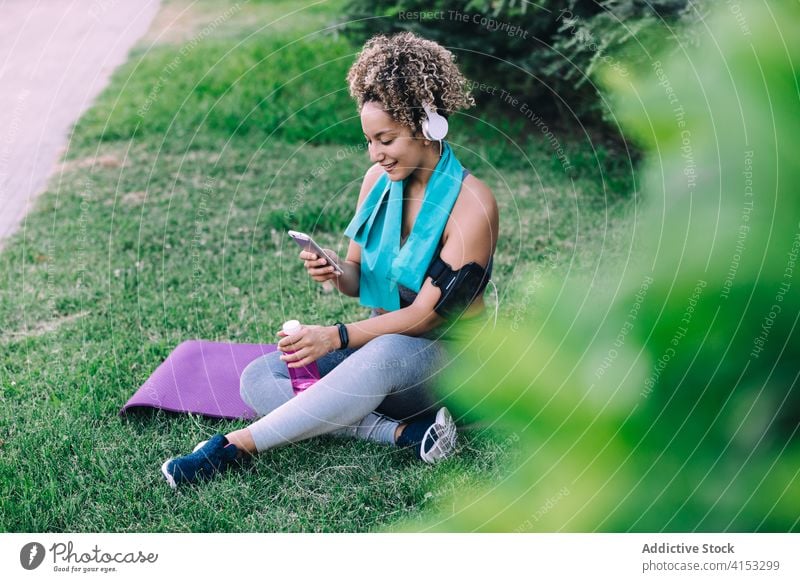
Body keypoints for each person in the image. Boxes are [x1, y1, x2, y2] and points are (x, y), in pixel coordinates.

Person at [161, 31, 499, 488]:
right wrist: (335, 271)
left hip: (455, 367)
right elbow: (358, 279)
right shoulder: (377, 182)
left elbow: (425, 315)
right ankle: (400, 433)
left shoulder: (470, 203)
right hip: (383, 353)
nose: (377, 153)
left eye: (387, 139)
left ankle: (237, 445)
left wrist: (337, 336)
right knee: (259, 377)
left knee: (379, 355)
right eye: (369, 141)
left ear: (427, 125)